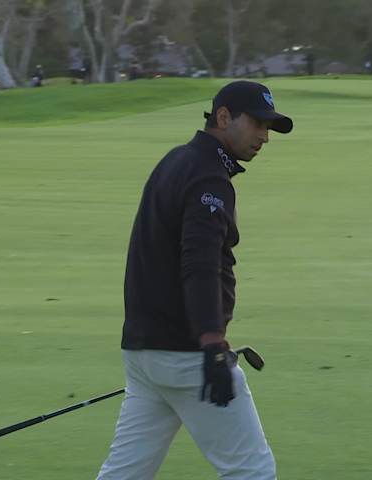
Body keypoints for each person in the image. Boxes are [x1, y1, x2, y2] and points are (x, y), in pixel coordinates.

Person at [96, 81, 293, 479]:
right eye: (257, 124)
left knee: (125, 473)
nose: (264, 137)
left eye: (269, 128)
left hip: (143, 352)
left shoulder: (175, 161)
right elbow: (199, 264)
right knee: (251, 471)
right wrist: (212, 344)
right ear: (223, 117)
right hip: (187, 354)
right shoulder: (208, 179)